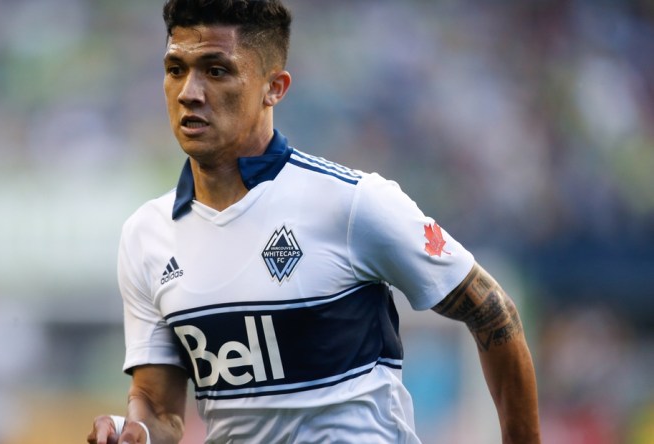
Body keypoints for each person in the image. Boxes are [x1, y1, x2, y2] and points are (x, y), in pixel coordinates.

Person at [87, 0, 541, 443]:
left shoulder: (354, 203)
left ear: (275, 87)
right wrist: (137, 432)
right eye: (175, 69)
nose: (189, 91)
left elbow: (491, 311)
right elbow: (159, 408)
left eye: (216, 70)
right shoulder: (146, 236)